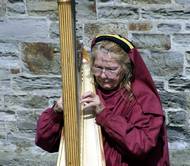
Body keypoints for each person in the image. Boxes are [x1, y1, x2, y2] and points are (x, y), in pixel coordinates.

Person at [35, 34, 170, 166]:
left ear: (125, 68)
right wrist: (56, 113)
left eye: (111, 69)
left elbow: (141, 146)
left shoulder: (143, 99)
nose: (103, 75)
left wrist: (104, 114)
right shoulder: (87, 89)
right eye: (98, 68)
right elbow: (45, 142)